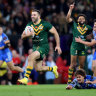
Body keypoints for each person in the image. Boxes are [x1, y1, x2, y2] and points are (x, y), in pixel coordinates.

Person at [18, 9, 62, 84]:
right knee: (38, 68)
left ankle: (26, 78)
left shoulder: (45, 24)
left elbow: (56, 33)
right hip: (35, 47)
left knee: (30, 57)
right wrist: (29, 34)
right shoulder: (29, 25)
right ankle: (53, 69)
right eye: (32, 15)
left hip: (44, 47)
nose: (32, 16)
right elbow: (22, 36)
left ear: (39, 16)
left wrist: (58, 45)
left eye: (34, 15)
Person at [66, 3, 92, 84]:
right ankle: (69, 80)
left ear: (85, 20)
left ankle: (81, 81)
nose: (81, 19)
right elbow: (67, 18)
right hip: (74, 46)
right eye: (80, 18)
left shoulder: (88, 27)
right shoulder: (74, 25)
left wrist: (88, 38)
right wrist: (70, 9)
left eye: (83, 18)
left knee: (82, 66)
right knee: (73, 64)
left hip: (82, 47)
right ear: (77, 20)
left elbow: (92, 34)